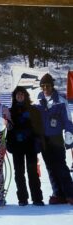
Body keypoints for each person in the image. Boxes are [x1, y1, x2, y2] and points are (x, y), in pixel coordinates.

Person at [35, 73, 73, 205]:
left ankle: (70, 194)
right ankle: (58, 194)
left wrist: (69, 133)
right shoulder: (38, 100)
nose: (46, 88)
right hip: (44, 139)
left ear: (52, 86)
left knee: (61, 165)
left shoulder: (60, 100)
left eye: (48, 85)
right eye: (43, 86)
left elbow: (68, 119)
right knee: (50, 167)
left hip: (56, 138)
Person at [6, 86, 45, 206]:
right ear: (15, 97)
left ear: (25, 96)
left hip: (30, 145)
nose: (20, 97)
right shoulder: (10, 111)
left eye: (22, 94)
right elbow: (8, 129)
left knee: (32, 171)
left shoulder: (33, 110)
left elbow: (39, 127)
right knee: (19, 172)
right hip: (17, 146)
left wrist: (38, 141)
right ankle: (22, 198)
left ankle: (37, 198)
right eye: (17, 95)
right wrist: (9, 142)